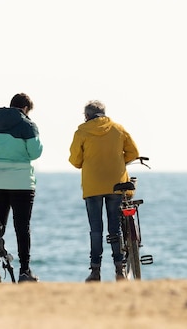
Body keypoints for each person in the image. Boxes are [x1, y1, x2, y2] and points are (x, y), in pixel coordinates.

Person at [69, 100, 139, 282]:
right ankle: (119, 270)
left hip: (93, 186)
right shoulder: (118, 129)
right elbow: (133, 152)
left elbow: (75, 161)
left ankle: (95, 271)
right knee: (115, 228)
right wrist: (118, 162)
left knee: (96, 230)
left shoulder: (82, 132)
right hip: (116, 184)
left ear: (87, 116)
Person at [0, 93, 43, 283]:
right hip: (21, 183)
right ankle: (24, 271)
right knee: (22, 227)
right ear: (26, 108)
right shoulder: (28, 125)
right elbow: (35, 153)